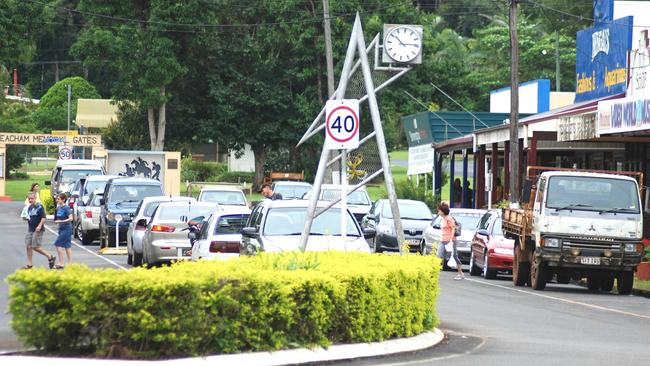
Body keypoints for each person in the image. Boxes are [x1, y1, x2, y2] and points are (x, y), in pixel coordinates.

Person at [23, 192, 56, 269]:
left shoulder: (39, 207)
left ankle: (50, 257)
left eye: (32, 199)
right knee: (28, 246)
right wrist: (25, 218)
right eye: (29, 199)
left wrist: (39, 225)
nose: (30, 200)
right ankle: (30, 264)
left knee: (36, 247)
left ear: (35, 199)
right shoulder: (29, 207)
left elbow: (43, 217)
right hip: (30, 229)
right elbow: (29, 217)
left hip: (38, 229)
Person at [436, 201, 465, 280]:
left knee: (455, 256)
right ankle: (434, 274)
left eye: (439, 210)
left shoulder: (449, 218)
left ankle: (460, 273)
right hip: (443, 240)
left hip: (450, 241)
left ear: (442, 211)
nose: (438, 212)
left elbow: (453, 228)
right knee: (438, 256)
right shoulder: (443, 219)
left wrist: (451, 239)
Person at [52, 193, 73, 269]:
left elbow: (71, 218)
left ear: (63, 200)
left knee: (58, 244)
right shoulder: (59, 208)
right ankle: (70, 264)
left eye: (59, 199)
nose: (57, 200)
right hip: (61, 228)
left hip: (67, 228)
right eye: (57, 199)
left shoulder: (66, 208)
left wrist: (61, 221)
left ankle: (61, 262)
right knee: (67, 246)